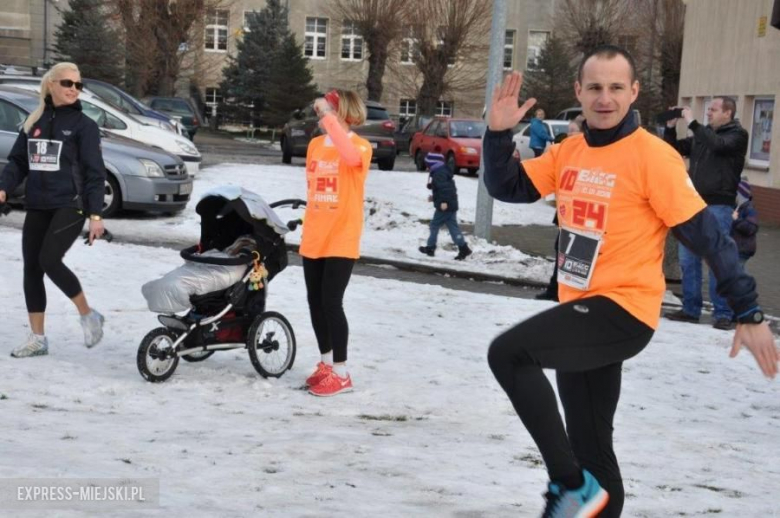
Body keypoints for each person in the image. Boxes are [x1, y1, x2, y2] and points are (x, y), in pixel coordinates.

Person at [483, 45, 777, 518]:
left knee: (509, 353)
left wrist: (748, 310)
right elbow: (508, 187)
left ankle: (569, 486)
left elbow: (710, 237)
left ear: (633, 91)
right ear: (579, 91)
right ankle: (585, 489)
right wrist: (498, 135)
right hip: (582, 307)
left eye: (616, 87)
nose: (605, 98)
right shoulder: (569, 151)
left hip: (623, 310)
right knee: (593, 451)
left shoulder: (653, 157)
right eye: (595, 87)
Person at [0, 62, 107, 358]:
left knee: (49, 260)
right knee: (31, 268)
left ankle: (88, 315)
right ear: (51, 85)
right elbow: (18, 161)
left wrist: (95, 215)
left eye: (78, 85)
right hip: (37, 203)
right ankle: (38, 338)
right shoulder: (34, 120)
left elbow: (94, 173)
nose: (73, 89)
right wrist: (4, 187)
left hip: (70, 205)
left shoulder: (85, 126)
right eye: (67, 83)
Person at [299, 89, 372, 397]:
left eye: (329, 108)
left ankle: (342, 373)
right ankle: (327, 364)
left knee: (331, 302)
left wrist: (329, 117)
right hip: (315, 234)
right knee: (315, 302)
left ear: (343, 112)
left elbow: (349, 156)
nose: (321, 113)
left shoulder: (360, 146)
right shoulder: (315, 145)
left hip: (342, 236)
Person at [662, 98, 749, 330]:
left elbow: (718, 145)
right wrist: (670, 128)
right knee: (688, 260)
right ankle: (691, 309)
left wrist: (692, 123)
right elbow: (673, 150)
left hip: (718, 206)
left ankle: (723, 313)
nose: (708, 113)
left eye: (713, 109)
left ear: (727, 113)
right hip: (692, 203)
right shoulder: (704, 135)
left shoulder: (737, 135)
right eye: (707, 109)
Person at [536, 116, 584, 301]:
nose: (569, 134)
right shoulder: (566, 152)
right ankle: (556, 289)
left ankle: (563, 290)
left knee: (571, 253)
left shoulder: (587, 154)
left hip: (580, 215)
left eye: (574, 130)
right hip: (566, 212)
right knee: (561, 248)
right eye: (569, 130)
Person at [417, 152, 472, 261]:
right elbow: (444, 189)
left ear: (432, 164)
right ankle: (463, 248)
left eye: (428, 164)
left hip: (445, 206)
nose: (427, 167)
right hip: (450, 204)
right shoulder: (442, 171)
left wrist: (443, 202)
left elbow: (445, 190)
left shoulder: (439, 174)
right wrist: (435, 198)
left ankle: (430, 248)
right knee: (453, 228)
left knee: (434, 225)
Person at [731, 179, 759, 269]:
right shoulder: (737, 207)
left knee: (736, 272)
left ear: (740, 194)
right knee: (739, 272)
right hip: (738, 248)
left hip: (743, 249)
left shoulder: (749, 209)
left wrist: (736, 220)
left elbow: (751, 228)